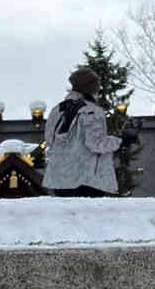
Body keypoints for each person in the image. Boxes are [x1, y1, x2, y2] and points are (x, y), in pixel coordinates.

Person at [44, 66, 130, 197]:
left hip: (59, 179)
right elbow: (96, 144)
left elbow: (50, 140)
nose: (99, 88)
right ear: (88, 87)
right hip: (87, 179)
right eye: (96, 85)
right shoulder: (91, 110)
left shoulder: (56, 110)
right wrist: (122, 140)